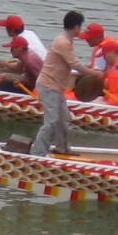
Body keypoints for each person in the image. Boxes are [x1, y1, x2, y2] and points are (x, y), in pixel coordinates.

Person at [29, 12, 85, 157]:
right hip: (48, 86)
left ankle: (63, 148)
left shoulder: (66, 41)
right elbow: (76, 65)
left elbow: (74, 64)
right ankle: (37, 152)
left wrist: (89, 70)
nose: (81, 30)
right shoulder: (63, 42)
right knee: (52, 122)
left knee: (63, 119)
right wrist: (95, 73)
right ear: (76, 27)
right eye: (80, 27)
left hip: (57, 88)